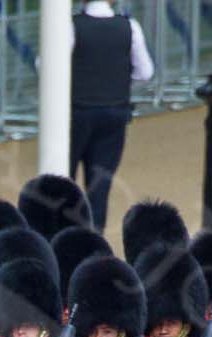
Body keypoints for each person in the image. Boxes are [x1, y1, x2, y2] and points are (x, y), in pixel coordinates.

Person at [67, 0, 151, 231]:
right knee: (99, 186)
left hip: (77, 112)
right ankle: (94, 243)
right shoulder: (129, 27)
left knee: (63, 183)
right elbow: (145, 72)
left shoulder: (71, 26)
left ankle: (62, 240)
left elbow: (46, 65)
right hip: (115, 111)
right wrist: (118, 82)